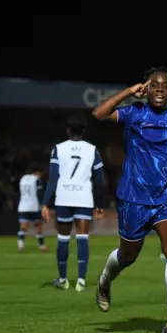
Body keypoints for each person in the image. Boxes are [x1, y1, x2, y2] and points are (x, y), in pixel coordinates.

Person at [91, 67, 167, 333]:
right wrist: (129, 92)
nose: (160, 90)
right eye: (155, 85)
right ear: (147, 87)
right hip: (135, 197)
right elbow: (99, 114)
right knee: (128, 255)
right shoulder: (134, 112)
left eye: (165, 86)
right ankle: (106, 279)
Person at [41, 115, 107, 292]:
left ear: (67, 130)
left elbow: (53, 178)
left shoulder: (58, 149)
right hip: (84, 198)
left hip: (64, 197)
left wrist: (45, 203)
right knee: (82, 238)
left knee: (63, 239)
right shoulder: (92, 150)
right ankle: (81, 281)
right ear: (84, 131)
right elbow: (100, 181)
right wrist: (101, 204)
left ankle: (63, 280)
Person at [17, 163, 48, 252]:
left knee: (23, 227)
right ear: (37, 172)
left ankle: (21, 245)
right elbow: (39, 193)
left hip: (23, 205)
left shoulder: (22, 179)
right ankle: (41, 246)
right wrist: (43, 204)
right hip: (34, 206)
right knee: (38, 226)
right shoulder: (36, 180)